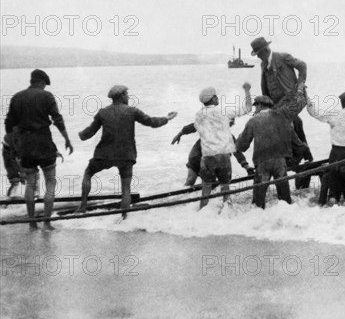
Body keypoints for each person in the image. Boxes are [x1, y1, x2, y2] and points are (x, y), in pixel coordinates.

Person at [78, 85, 177, 218]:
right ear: (122, 96)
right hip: (126, 155)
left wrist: (80, 135)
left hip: (104, 155)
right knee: (126, 189)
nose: (128, 97)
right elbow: (151, 122)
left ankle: (83, 206)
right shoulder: (132, 111)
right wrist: (167, 118)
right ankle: (124, 217)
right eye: (127, 94)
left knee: (88, 173)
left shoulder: (102, 112)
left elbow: (89, 133)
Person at [4, 69, 73, 230]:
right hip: (43, 142)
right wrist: (67, 140)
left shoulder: (17, 97)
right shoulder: (46, 96)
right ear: (42, 82)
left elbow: (9, 124)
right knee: (50, 181)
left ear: (31, 81)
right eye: (44, 85)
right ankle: (47, 223)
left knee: (30, 183)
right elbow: (57, 119)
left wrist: (14, 147)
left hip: (25, 144)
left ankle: (32, 223)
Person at [236, 93, 307, 209]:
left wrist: (236, 141)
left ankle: (258, 222)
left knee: (258, 203)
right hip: (280, 162)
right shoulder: (282, 118)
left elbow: (242, 146)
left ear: (259, 106)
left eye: (255, 107)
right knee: (285, 200)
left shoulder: (253, 121)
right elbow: (294, 139)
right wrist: (302, 148)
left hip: (262, 163)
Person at [250, 36, 313, 162]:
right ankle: (302, 155)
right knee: (293, 123)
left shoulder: (283, 57)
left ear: (265, 51)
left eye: (258, 54)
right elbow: (265, 86)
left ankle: (299, 155)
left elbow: (302, 65)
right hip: (276, 104)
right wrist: (262, 106)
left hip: (292, 100)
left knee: (287, 122)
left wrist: (300, 83)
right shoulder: (263, 64)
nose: (257, 57)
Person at [194, 83, 252, 210]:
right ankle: (227, 214)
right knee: (226, 188)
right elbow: (248, 108)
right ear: (212, 98)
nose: (218, 98)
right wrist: (247, 90)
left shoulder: (198, 115)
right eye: (216, 96)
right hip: (223, 156)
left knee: (206, 190)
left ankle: (201, 213)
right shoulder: (222, 111)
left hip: (207, 157)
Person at [171, 118, 253, 186]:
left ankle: (208, 198)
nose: (233, 124)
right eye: (231, 122)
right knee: (190, 180)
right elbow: (193, 126)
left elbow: (237, 152)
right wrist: (179, 134)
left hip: (214, 162)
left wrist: (246, 166)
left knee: (212, 184)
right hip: (197, 156)